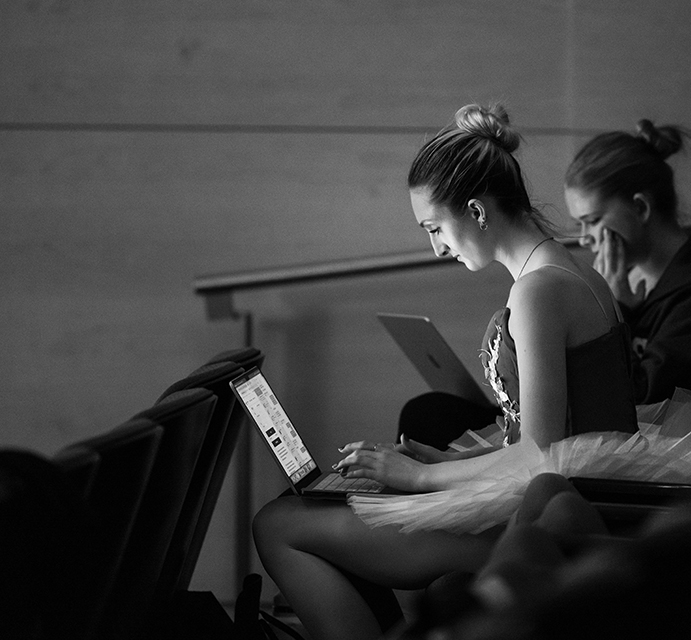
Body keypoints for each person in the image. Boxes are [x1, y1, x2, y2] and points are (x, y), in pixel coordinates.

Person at [252, 103, 639, 640]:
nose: (436, 247)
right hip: (566, 500)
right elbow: (565, 434)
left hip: (551, 520)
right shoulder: (570, 274)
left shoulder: (538, 291)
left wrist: (420, 478)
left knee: (278, 525)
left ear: (477, 212)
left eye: (435, 227)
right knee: (305, 515)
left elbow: (542, 454)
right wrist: (442, 462)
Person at [564, 120, 691, 404]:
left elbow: (638, 401)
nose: (585, 239)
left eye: (592, 221)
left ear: (640, 207)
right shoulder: (630, 279)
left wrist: (612, 311)